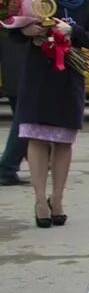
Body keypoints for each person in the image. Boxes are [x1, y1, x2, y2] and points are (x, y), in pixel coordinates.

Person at [14, 0, 89, 227]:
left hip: (69, 78)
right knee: (37, 138)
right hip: (38, 78)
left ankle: (58, 198)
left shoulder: (87, 4)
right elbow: (14, 35)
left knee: (63, 141)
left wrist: (71, 32)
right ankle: (40, 200)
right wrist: (25, 31)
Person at [1, 27, 27, 185]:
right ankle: (6, 168)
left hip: (12, 76)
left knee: (25, 125)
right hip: (23, 77)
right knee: (24, 124)